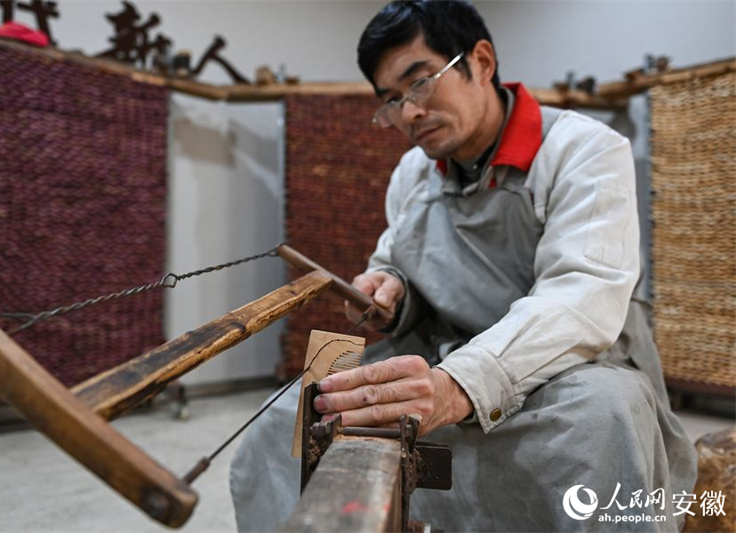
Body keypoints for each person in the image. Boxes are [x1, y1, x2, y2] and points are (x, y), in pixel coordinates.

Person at [230, 1, 696, 530]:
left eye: (420, 83)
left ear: (481, 61)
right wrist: (391, 292)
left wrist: (458, 387)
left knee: (601, 418)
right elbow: (395, 259)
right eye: (390, 102)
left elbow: (581, 300)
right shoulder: (412, 173)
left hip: (573, 370)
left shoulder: (584, 151)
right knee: (288, 419)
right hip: (444, 359)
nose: (408, 113)